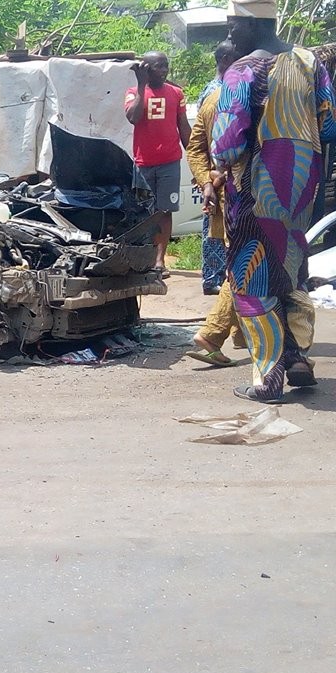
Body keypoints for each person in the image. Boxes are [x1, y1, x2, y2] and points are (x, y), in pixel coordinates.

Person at [211, 0, 336, 402]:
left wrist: (223, 163)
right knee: (292, 270)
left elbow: (227, 145)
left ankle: (268, 379)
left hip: (257, 185)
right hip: (303, 185)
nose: (229, 35)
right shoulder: (310, 62)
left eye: (232, 27)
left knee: (251, 278)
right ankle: (299, 358)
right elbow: (330, 124)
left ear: (248, 25)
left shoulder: (243, 70)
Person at [186, 41, 248, 367]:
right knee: (244, 264)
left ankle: (242, 332)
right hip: (243, 195)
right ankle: (213, 333)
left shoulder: (211, 99)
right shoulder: (242, 99)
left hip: (223, 193)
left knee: (237, 260)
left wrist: (206, 182)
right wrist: (213, 180)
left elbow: (194, 149)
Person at [124, 51, 192, 278]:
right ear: (146, 68)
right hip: (143, 164)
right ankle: (143, 259)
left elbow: (183, 127)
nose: (164, 71)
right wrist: (142, 86)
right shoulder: (133, 93)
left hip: (169, 163)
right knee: (143, 212)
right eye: (158, 66)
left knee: (165, 210)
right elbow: (134, 117)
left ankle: (159, 261)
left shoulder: (176, 93)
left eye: (166, 66)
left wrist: (196, 157)